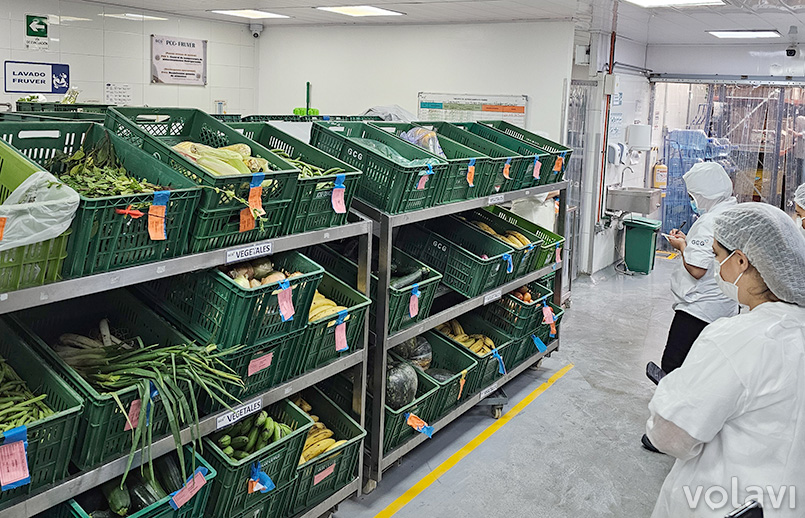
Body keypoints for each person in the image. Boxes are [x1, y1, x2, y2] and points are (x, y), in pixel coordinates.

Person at [646, 203, 805, 518]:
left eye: (719, 256)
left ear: (741, 261)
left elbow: (670, 435)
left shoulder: (735, 340)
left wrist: (671, 392)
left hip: (722, 501)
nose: (718, 266)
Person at [662, 163, 739, 374]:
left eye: (693, 195)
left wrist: (681, 246)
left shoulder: (710, 221)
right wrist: (689, 242)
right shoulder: (731, 212)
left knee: (672, 365)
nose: (691, 201)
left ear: (706, 193)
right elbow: (710, 253)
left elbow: (697, 269)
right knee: (703, 365)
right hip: (722, 303)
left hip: (699, 306)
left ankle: (671, 405)